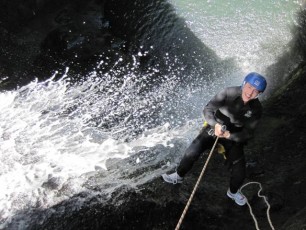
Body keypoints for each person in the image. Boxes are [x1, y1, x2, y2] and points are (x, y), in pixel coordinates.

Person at [162, 72, 267, 206]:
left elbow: (249, 133)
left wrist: (230, 136)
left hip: (232, 137)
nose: (250, 92)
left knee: (240, 173)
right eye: (249, 87)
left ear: (259, 94)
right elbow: (208, 109)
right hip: (214, 128)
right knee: (191, 152)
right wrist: (215, 125)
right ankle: (178, 176)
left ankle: (233, 192)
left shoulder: (257, 109)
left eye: (255, 91)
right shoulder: (228, 92)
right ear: (244, 83)